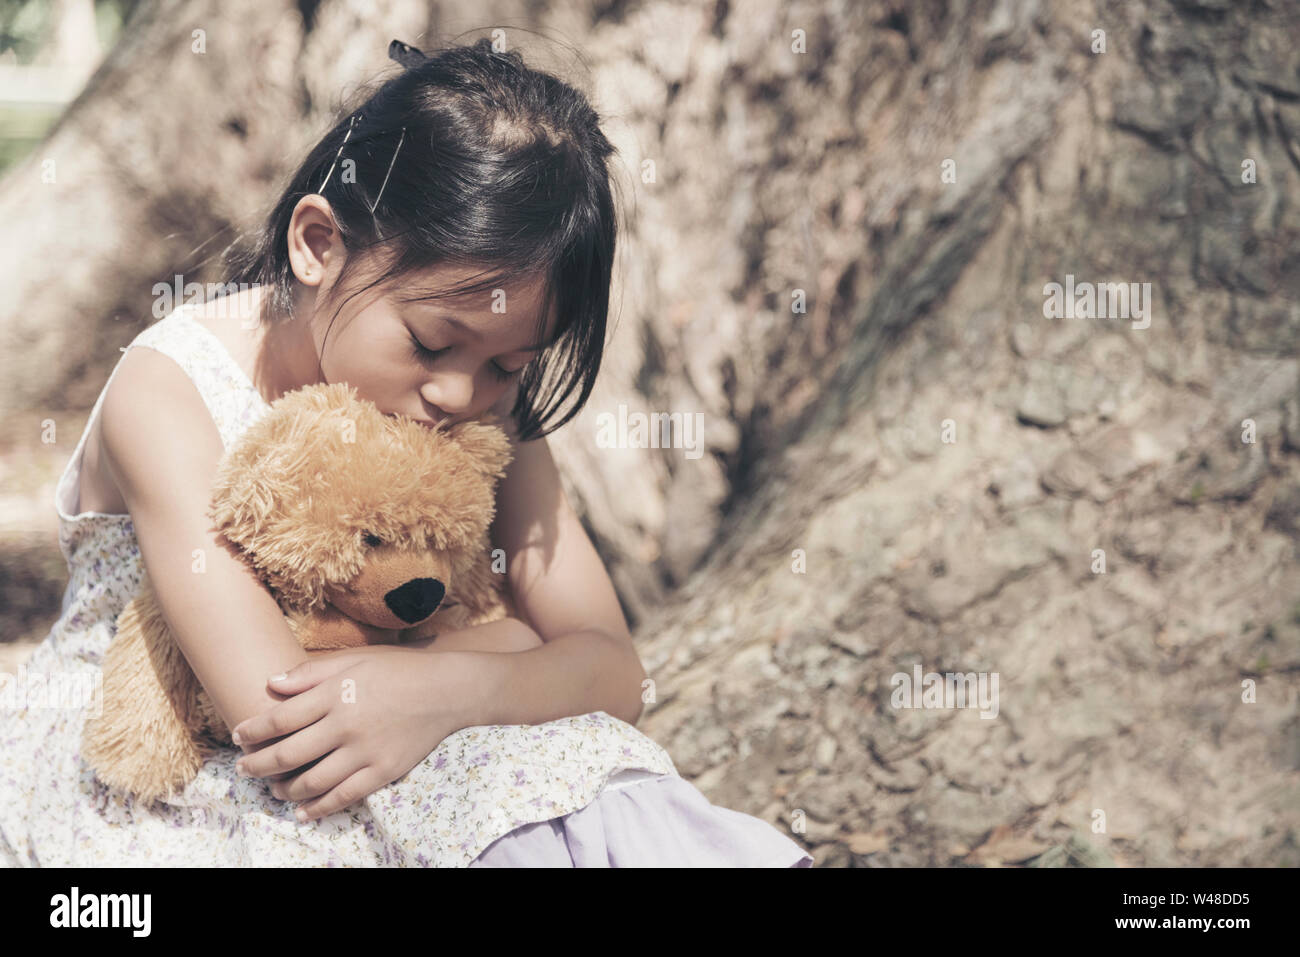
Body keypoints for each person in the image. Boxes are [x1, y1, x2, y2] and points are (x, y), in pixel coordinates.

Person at [0, 37, 812, 868]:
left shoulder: (490, 413)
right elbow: (277, 710)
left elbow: (612, 668)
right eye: (430, 343)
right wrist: (515, 648)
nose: (462, 395)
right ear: (318, 245)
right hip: (176, 776)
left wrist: (449, 689)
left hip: (399, 739)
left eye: (507, 364)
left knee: (598, 779)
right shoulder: (169, 392)